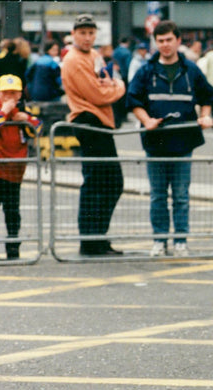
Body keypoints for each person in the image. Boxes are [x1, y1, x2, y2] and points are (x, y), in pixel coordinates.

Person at [126, 20, 213, 257]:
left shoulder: (191, 70)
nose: (165, 45)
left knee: (181, 196)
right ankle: (159, 240)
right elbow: (133, 99)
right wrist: (146, 121)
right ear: (155, 43)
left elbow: (207, 96)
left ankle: (180, 241)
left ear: (178, 41)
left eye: (169, 40)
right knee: (157, 195)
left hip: (183, 142)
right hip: (155, 143)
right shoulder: (146, 71)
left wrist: (205, 116)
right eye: (160, 41)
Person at [61, 13, 126, 256]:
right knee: (101, 182)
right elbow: (99, 94)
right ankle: (90, 240)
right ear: (74, 33)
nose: (87, 38)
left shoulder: (94, 56)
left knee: (106, 182)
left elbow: (104, 79)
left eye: (91, 33)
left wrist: (111, 84)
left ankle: (96, 238)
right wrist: (118, 87)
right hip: (89, 120)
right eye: (82, 33)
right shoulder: (75, 60)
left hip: (99, 121)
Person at [0, 75, 42, 261]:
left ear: (19, 95)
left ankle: (13, 248)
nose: (10, 97)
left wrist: (26, 120)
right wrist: (3, 112)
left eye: (13, 93)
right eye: (6, 93)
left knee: (13, 213)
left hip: (15, 172)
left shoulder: (21, 112)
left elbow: (38, 129)